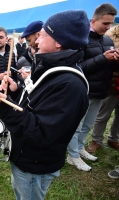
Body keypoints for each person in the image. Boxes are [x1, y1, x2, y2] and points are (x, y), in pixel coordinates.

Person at [0, 10, 90, 200]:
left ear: (58, 42)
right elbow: (37, 103)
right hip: (25, 155)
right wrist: (16, 90)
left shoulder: (70, 85)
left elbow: (41, 133)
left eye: (42, 35)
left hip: (35, 163)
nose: (37, 41)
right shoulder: (51, 67)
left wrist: (2, 106)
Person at [67, 3, 118, 171]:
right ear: (93, 20)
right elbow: (76, 66)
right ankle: (72, 156)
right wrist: (103, 59)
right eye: (105, 23)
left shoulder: (108, 39)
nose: (108, 27)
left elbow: (108, 66)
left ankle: (80, 148)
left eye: (111, 23)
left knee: (88, 125)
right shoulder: (81, 40)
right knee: (77, 125)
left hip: (101, 90)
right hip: (84, 90)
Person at [87, 24, 119, 153]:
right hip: (111, 83)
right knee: (103, 115)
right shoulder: (109, 35)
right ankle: (96, 140)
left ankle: (113, 138)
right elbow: (101, 60)